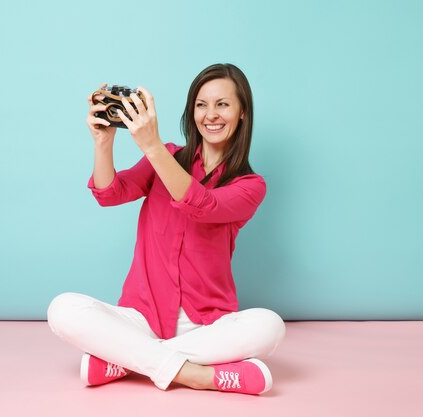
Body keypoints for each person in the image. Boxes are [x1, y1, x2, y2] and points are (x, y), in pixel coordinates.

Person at [47, 63, 285, 395]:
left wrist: (152, 146)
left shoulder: (250, 186)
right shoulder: (169, 156)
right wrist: (103, 142)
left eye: (223, 104)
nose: (211, 115)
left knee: (270, 327)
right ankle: (201, 376)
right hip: (142, 317)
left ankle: (127, 361)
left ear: (242, 112)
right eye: (202, 105)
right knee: (62, 309)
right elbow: (110, 193)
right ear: (192, 111)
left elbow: (203, 205)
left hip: (206, 326)